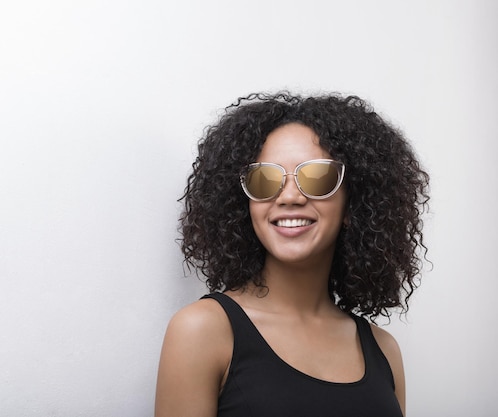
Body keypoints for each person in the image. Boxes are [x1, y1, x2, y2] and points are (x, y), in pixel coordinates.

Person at [154, 92, 429, 417]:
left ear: (352, 206)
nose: (289, 197)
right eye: (264, 179)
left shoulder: (384, 350)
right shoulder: (202, 331)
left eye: (316, 177)